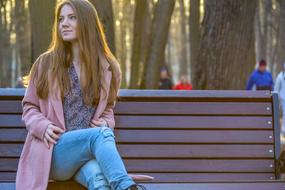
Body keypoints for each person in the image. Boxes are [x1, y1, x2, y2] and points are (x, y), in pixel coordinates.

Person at [15, 0, 151, 189]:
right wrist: (42, 126)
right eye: (61, 19)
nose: (64, 23)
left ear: (87, 22)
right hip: (54, 152)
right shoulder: (46, 63)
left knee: (98, 180)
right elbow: (29, 106)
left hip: (85, 156)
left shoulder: (107, 67)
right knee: (100, 135)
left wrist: (106, 121)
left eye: (72, 18)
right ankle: (125, 185)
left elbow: (108, 108)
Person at [275, 62, 285, 136]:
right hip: (281, 98)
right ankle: (282, 130)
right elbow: (276, 88)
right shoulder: (280, 76)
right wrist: (276, 99)